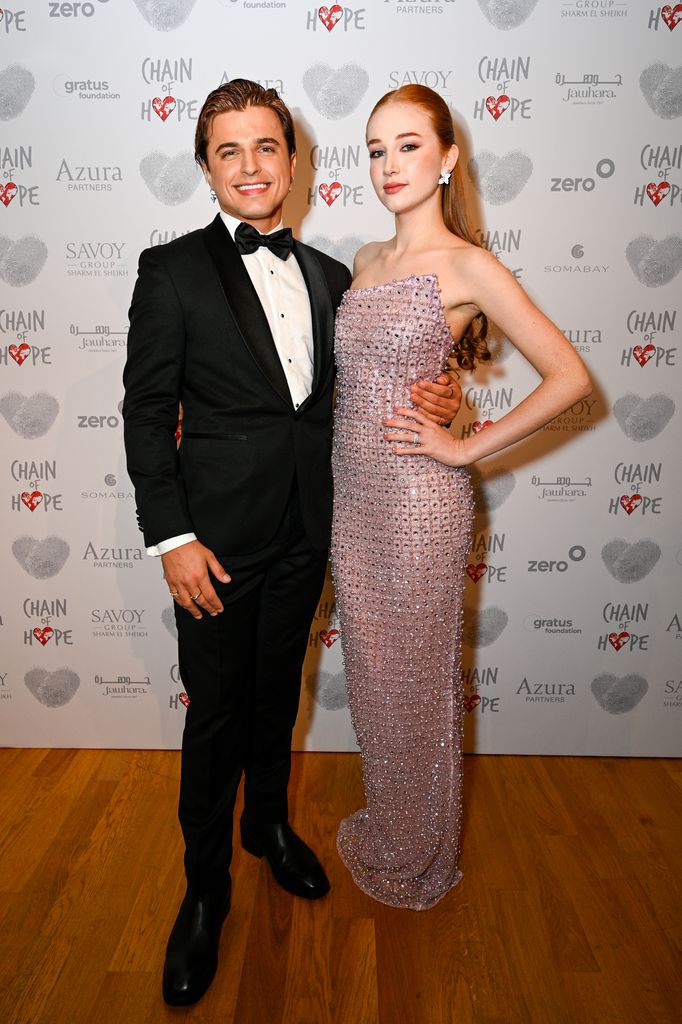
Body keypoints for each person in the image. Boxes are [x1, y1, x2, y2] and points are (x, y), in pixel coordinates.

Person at [122, 79, 461, 1005]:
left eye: (266, 146)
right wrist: (174, 538)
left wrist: (446, 398)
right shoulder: (170, 271)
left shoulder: (331, 275)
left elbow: (370, 390)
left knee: (281, 698)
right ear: (206, 168)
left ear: (293, 157)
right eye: (228, 151)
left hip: (312, 530)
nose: (250, 166)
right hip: (215, 547)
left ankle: (267, 828)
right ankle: (203, 894)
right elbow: (148, 415)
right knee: (217, 715)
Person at [331, 84, 592, 910]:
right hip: (353, 499)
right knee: (375, 676)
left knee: (418, 678)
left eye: (408, 145)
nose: (388, 165)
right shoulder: (365, 263)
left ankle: (421, 853)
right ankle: (391, 821)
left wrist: (465, 443)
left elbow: (570, 377)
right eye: (376, 149)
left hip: (418, 506)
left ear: (446, 159)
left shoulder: (468, 266)